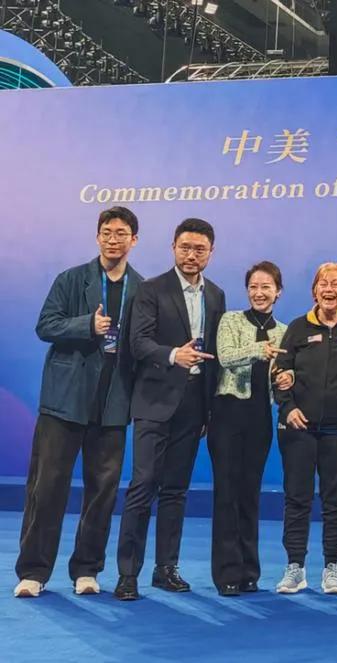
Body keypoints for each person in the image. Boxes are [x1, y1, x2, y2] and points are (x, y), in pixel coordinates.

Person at [14, 207, 144, 599]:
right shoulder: (71, 279)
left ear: (134, 240)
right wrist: (87, 325)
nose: (113, 239)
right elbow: (45, 325)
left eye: (121, 233)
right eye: (107, 232)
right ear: (98, 236)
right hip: (64, 402)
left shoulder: (143, 289)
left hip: (112, 403)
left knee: (102, 492)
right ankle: (33, 571)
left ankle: (87, 569)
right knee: (47, 488)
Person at [114, 218, 225, 600]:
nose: (191, 255)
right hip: (154, 401)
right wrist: (174, 354)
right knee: (143, 484)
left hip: (194, 405)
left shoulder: (216, 295)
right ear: (173, 248)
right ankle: (128, 574)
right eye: (185, 247)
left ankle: (166, 569)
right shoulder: (150, 289)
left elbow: (214, 355)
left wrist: (208, 410)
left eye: (199, 249)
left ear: (211, 252)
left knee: (176, 490)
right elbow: (137, 343)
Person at [273, 262, 337, 595]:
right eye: (323, 283)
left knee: (335, 501)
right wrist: (288, 407)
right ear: (314, 291)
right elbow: (279, 372)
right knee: (297, 498)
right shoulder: (298, 328)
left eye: (336, 283)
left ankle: (333, 568)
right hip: (299, 429)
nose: (329, 289)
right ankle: (295, 567)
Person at [208, 261, 288, 596]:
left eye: (266, 287)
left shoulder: (284, 331)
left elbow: (283, 376)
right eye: (253, 286)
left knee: (250, 493)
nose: (259, 292)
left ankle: (249, 572)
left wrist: (285, 379)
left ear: (278, 292)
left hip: (260, 417)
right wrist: (259, 350)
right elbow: (225, 357)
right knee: (227, 492)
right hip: (227, 413)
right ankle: (227, 573)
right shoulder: (231, 320)